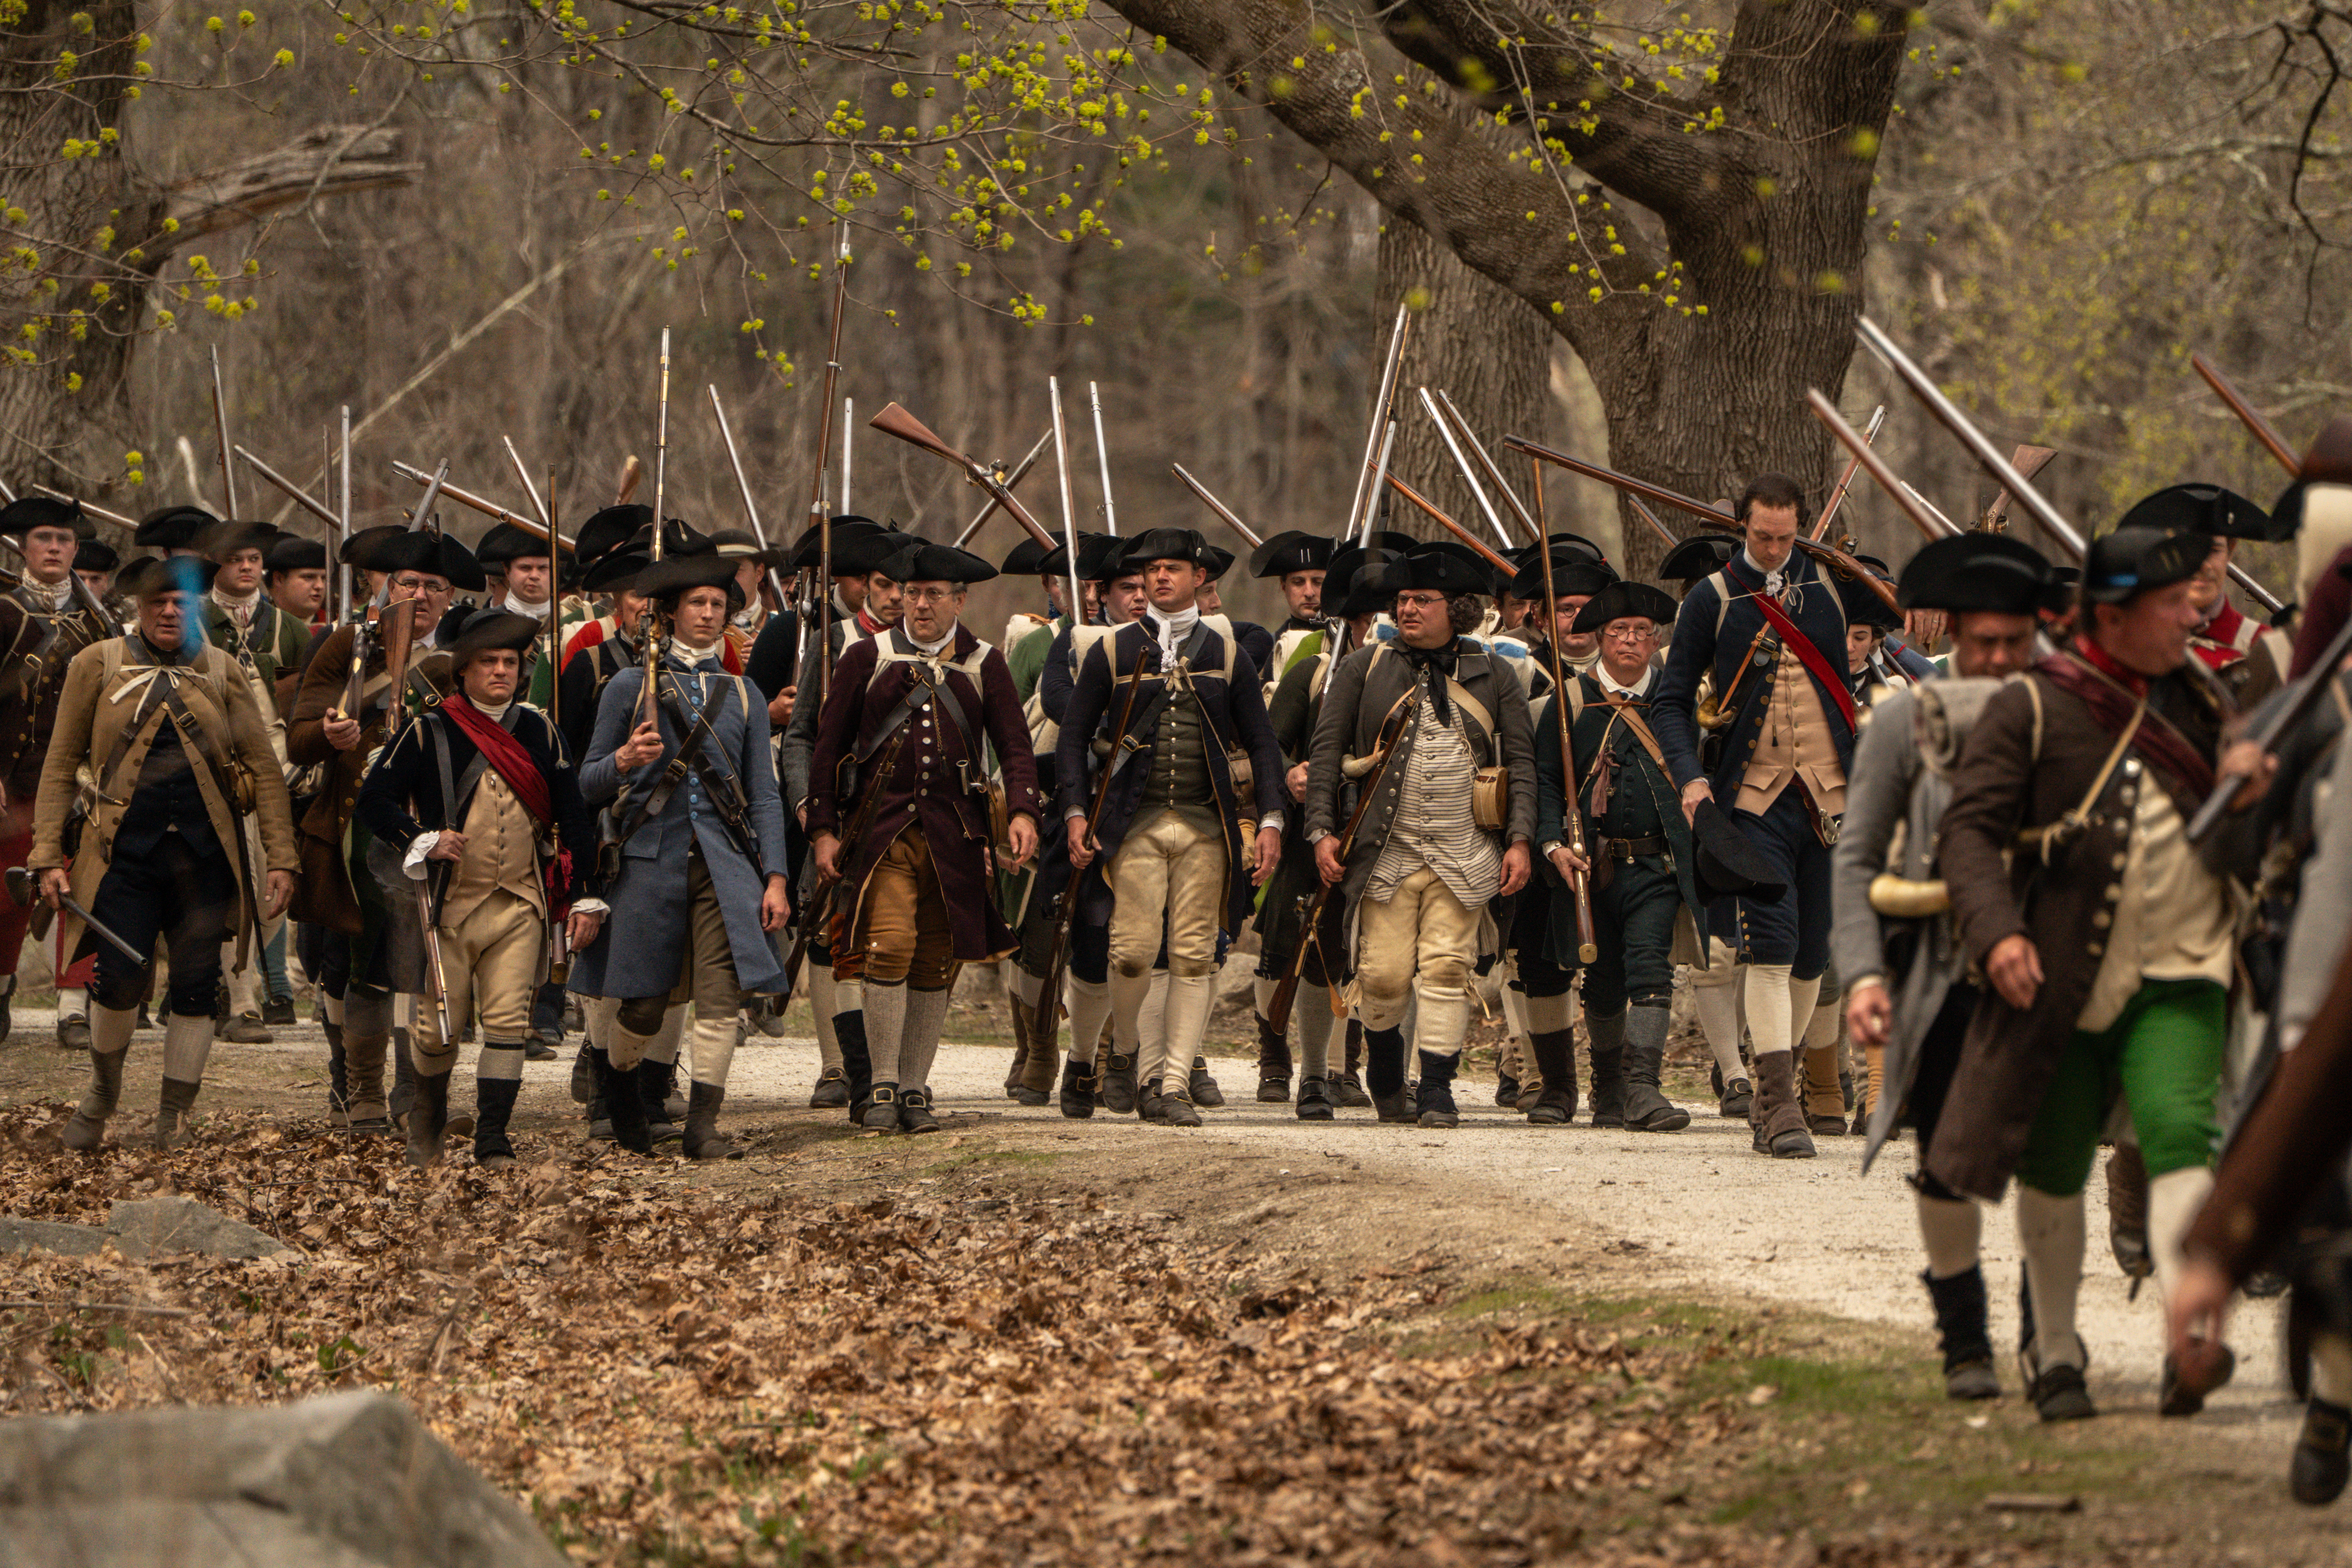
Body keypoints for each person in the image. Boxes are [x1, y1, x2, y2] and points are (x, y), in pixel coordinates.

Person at [1934, 525, 2266, 1424]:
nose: (2192, 612)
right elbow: (1967, 833)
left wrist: (2248, 787)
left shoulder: (2205, 695)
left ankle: (2184, 1333)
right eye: (2170, 603)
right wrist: (1998, 932)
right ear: (2112, 617)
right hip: (2059, 974)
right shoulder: (2031, 707)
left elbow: (2249, 839)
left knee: (2175, 1136)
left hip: (2185, 966)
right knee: (2051, 1163)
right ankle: (2055, 1345)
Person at [1832, 532, 2055, 1402]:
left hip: (2045, 971)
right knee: (1940, 1155)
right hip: (1933, 968)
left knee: (2050, 1159)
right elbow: (1853, 858)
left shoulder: (2062, 716)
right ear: (1954, 638)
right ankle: (1964, 1336)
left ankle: (2051, 1333)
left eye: (2014, 644)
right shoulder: (1899, 720)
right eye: (1982, 644)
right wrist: (1860, 975)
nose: (1997, 659)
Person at [31, 556, 296, 1150]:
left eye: (180, 602)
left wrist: (282, 856)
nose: (170, 612)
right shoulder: (95, 665)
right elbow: (57, 764)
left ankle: (175, 1114)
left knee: (199, 985)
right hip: (121, 855)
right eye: (158, 603)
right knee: (119, 980)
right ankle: (102, 1093)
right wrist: (48, 854)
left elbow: (263, 768)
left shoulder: (223, 669)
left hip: (206, 859)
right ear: (138, 607)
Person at [1653, 475, 1856, 1160]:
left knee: (1812, 956)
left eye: (1785, 537)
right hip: (1751, 800)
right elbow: (1672, 701)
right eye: (1762, 536)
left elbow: (1899, 623)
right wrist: (1691, 779)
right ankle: (1779, 1102)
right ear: (1742, 527)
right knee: (1770, 945)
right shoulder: (1712, 600)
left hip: (1829, 796)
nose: (1773, 549)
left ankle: (1777, 1092)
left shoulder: (1828, 589)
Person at [807, 539, 1041, 1132]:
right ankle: (882, 1082)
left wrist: (1022, 812)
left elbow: (1015, 747)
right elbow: (828, 747)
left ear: (960, 600)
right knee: (888, 946)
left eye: (934, 594)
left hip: (955, 835)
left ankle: (914, 1086)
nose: (920, 605)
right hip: (882, 832)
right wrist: (824, 831)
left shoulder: (985, 662)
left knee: (935, 961)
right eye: (912, 593)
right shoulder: (867, 656)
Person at [1056, 526, 1286, 1127]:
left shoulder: (1227, 652)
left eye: (1174, 568)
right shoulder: (1112, 649)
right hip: (1133, 824)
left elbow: (1262, 743)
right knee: (1131, 954)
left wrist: (1269, 819)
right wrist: (1078, 811)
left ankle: (1174, 1082)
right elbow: (1075, 735)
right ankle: (1128, 1051)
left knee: (1192, 957)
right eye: (1152, 569)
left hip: (1207, 827)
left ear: (1199, 578)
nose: (1161, 578)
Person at [358, 609, 600, 1169]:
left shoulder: (541, 730)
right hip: (448, 905)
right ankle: (429, 1121)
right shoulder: (427, 729)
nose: (500, 672)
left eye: (510, 662)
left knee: (509, 1022)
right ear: (462, 671)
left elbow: (574, 816)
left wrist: (585, 890)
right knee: (439, 1026)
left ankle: (494, 1136)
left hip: (520, 902)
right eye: (488, 662)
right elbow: (375, 801)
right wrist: (421, 838)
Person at [1305, 542, 1536, 1127]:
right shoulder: (1364, 668)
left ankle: (1436, 1089)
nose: (1406, 610)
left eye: (1421, 600)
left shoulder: (1495, 673)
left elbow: (1523, 764)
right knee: (1381, 975)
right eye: (1402, 599)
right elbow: (1327, 752)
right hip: (1387, 849)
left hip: (1465, 849)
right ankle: (1385, 1071)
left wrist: (1520, 839)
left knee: (1446, 968)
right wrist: (1321, 831)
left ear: (1455, 609)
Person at [572, 551, 793, 1160]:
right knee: (643, 1003)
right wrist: (624, 760)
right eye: (697, 603)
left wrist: (774, 877)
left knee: (722, 998)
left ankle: (703, 1126)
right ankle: (619, 1097)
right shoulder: (627, 686)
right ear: (669, 614)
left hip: (725, 866)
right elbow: (586, 781)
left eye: (718, 605)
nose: (708, 613)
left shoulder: (745, 694)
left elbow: (765, 797)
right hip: (648, 859)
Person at [286, 530, 475, 1134]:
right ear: (387, 586)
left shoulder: (465, 655)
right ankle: (360, 1090)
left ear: (451, 597)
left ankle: (412, 1092)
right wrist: (330, 732)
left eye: (434, 586)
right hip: (352, 826)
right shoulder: (347, 645)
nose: (420, 595)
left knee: (420, 965)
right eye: (408, 583)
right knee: (358, 965)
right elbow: (299, 735)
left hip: (432, 827)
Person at [1534, 579, 1701, 1132]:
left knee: (1651, 970)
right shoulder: (1570, 701)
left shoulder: (1674, 703)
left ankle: (1642, 1087)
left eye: (1640, 632)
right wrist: (1554, 845)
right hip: (1588, 869)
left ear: (1655, 642)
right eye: (1617, 632)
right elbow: (1542, 783)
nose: (1629, 641)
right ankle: (1608, 1088)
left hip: (1657, 865)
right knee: (1601, 980)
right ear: (1601, 640)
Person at [0, 496, 110, 1047]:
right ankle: (1, 986)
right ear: (22, 546)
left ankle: (73, 1005)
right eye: (44, 539)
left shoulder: (99, 624)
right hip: (13, 777)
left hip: (83, 780)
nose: (54, 548)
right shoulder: (3, 610)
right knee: (8, 893)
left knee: (82, 890)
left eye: (64, 540)